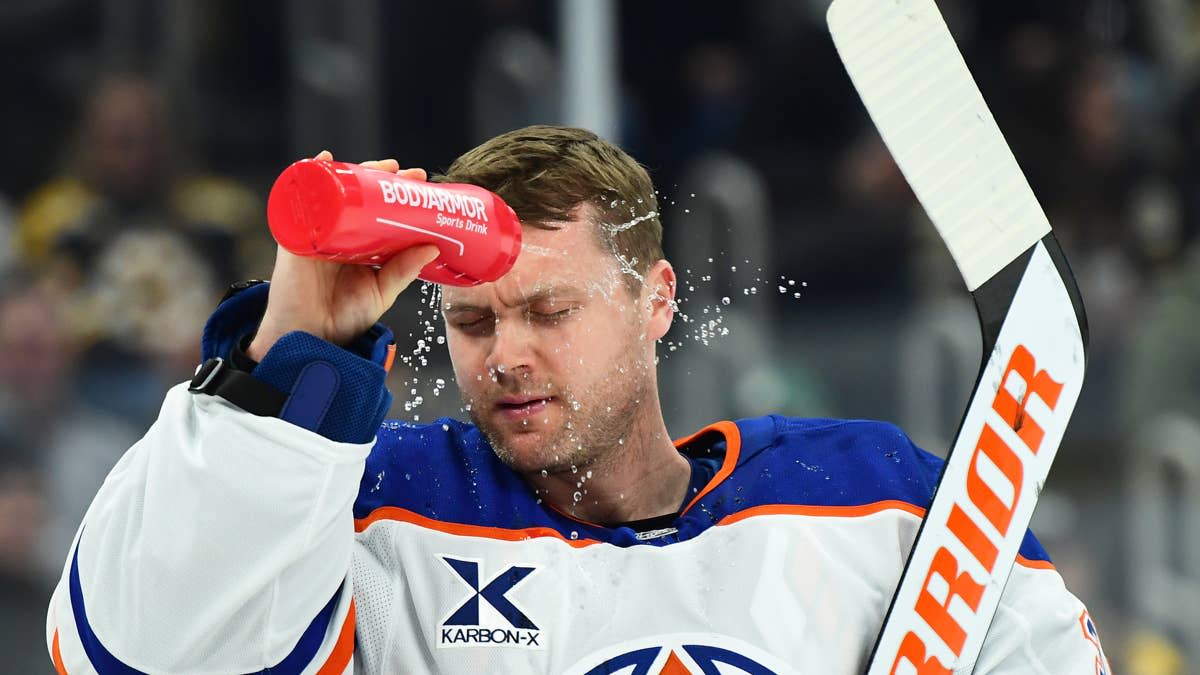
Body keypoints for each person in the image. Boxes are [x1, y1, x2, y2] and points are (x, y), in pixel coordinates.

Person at [46, 126, 1110, 673]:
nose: (505, 355)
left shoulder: (878, 499)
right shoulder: (360, 512)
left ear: (654, 301)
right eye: (471, 324)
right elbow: (133, 657)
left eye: (550, 312)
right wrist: (289, 365)